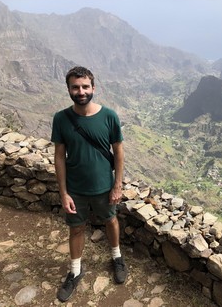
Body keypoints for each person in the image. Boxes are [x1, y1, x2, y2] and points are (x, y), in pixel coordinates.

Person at [51, 66, 127, 302]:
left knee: (111, 220)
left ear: (93, 88)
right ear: (69, 90)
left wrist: (117, 186)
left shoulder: (109, 116)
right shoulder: (61, 119)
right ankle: (75, 271)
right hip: (75, 189)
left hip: (104, 186)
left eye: (85, 86)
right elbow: (59, 157)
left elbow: (119, 153)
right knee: (76, 228)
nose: (81, 91)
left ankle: (116, 257)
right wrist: (64, 193)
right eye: (75, 87)